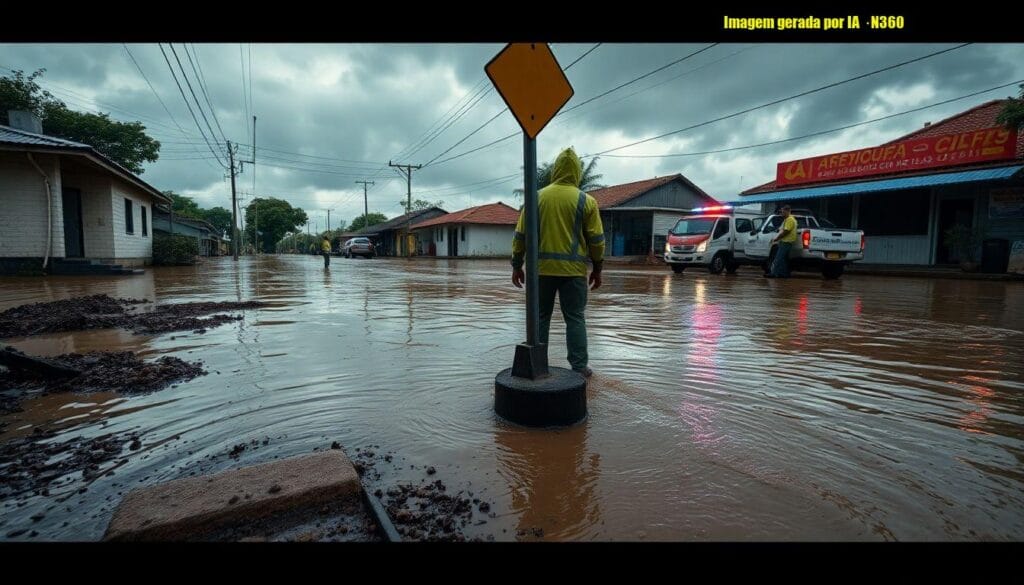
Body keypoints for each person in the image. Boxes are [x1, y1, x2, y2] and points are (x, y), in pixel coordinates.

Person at [511, 147, 604, 378]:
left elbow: (520, 235)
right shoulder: (587, 201)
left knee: (540, 318)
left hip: (539, 272)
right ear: (576, 172)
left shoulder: (536, 197)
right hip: (573, 272)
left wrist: (516, 265)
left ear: (556, 170)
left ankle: (538, 365)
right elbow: (597, 240)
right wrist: (598, 269)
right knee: (575, 318)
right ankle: (579, 367)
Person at [767, 204, 797, 278]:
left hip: (786, 241)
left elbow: (786, 231)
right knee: (783, 259)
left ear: (787, 211)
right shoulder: (788, 219)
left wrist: (777, 238)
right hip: (785, 241)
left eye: (783, 212)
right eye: (781, 212)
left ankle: (773, 273)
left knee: (778, 258)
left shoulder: (790, 219)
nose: (782, 213)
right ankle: (784, 274)